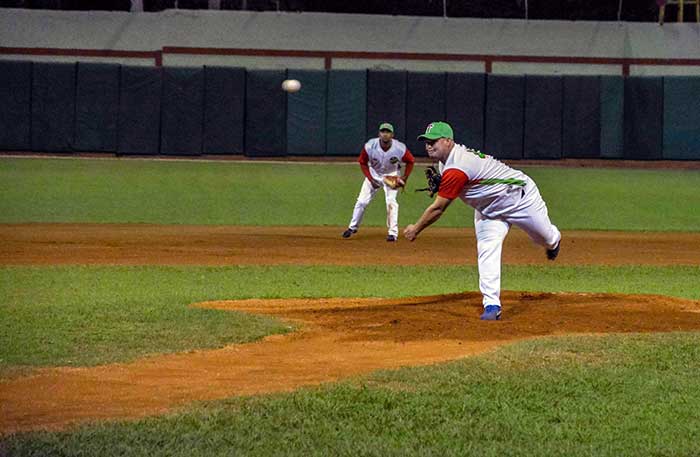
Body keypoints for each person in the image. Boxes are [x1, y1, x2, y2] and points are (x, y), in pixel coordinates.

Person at [404, 121, 561, 320]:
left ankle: (554, 239)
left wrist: (415, 228)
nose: (428, 145)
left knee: (544, 238)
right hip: (488, 211)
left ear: (448, 141)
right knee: (487, 250)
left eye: (433, 141)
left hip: (520, 199)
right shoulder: (447, 162)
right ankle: (492, 305)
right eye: (426, 141)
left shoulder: (456, 167)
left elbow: (438, 208)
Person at [342, 122, 415, 242]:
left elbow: (411, 161)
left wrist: (404, 178)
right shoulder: (370, 146)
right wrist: (371, 179)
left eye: (388, 132)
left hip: (391, 175)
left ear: (392, 135)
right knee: (361, 202)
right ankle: (352, 227)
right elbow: (362, 162)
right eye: (383, 132)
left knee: (391, 202)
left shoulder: (400, 148)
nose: (385, 134)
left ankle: (392, 233)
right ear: (379, 134)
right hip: (374, 174)